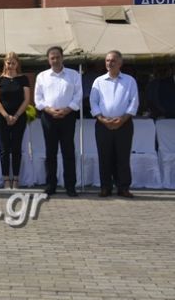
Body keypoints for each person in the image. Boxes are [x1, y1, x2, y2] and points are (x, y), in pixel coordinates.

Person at [90, 50, 139, 198]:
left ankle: (123, 187)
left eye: (113, 60)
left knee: (122, 157)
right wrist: (102, 118)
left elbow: (134, 101)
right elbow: (93, 102)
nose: (109, 63)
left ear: (120, 63)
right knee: (104, 157)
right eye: (107, 60)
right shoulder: (98, 81)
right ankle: (105, 187)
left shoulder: (129, 81)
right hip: (102, 124)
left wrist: (122, 119)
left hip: (124, 124)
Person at [34, 46, 82, 197]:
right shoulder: (42, 76)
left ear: (63, 58)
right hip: (48, 117)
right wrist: (48, 110)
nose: (55, 60)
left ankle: (70, 186)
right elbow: (38, 98)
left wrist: (68, 109)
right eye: (52, 58)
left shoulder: (74, 75)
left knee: (68, 152)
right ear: (48, 60)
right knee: (50, 152)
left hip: (68, 116)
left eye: (57, 57)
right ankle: (50, 185)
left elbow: (78, 95)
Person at [0, 52, 30, 189]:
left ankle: (16, 179)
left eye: (13, 62)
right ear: (5, 64)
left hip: (19, 118)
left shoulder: (23, 79)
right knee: (4, 149)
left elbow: (26, 99)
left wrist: (16, 116)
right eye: (8, 62)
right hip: (2, 118)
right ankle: (6, 178)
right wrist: (6, 116)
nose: (11, 65)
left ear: (17, 64)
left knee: (16, 148)